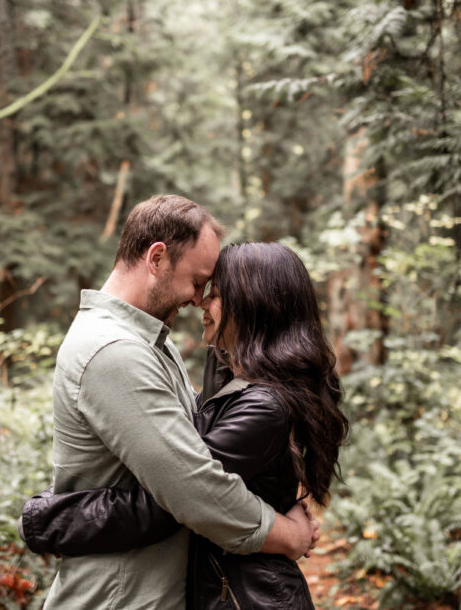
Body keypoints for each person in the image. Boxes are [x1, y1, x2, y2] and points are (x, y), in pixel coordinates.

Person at [25, 196, 318, 609]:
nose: (199, 298)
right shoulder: (114, 350)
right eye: (198, 281)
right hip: (121, 597)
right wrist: (291, 535)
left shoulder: (147, 343)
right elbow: (194, 489)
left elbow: (193, 454)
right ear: (157, 258)